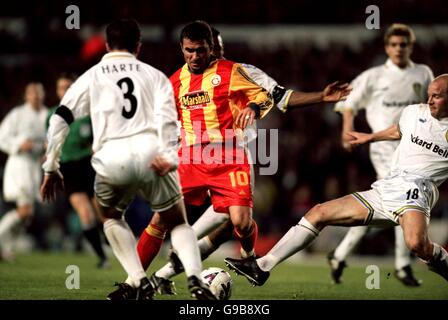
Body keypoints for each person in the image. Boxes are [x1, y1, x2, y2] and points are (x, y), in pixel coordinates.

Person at [110, 25, 351, 297]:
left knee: (237, 223)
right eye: (191, 50)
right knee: (164, 221)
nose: (198, 55)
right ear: (183, 49)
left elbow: (275, 97)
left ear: (212, 46)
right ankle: (136, 283)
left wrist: (257, 106)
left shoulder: (239, 71)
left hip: (232, 157)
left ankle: (236, 259)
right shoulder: (175, 81)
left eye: (204, 49)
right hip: (192, 158)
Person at [40, 18, 216, 300]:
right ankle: (195, 278)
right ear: (138, 46)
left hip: (111, 158)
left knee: (110, 217)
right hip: (152, 156)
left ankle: (139, 279)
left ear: (107, 45)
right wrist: (170, 155)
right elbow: (170, 123)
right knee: (178, 223)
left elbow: (59, 119)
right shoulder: (156, 76)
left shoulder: (93, 75)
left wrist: (51, 166)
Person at [224, 74, 448, 287]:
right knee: (318, 213)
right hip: (387, 188)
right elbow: (399, 131)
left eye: (437, 96)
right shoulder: (413, 112)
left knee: (417, 244)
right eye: (429, 94)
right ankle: (262, 266)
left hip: (417, 189)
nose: (429, 100)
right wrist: (370, 137)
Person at [329, 23, 434, 286]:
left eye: (404, 44)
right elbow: (347, 102)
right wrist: (347, 131)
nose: (399, 49)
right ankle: (401, 266)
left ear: (411, 46)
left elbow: (434, 107)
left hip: (413, 147)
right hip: (383, 147)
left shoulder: (423, 73)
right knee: (405, 201)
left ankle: (339, 254)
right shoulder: (374, 76)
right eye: (395, 45)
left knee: (386, 207)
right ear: (387, 47)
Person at [46, 73, 109, 268]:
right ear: (57, 91)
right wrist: (49, 163)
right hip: (68, 168)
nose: (64, 91)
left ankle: (115, 245)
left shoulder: (87, 113)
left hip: (88, 165)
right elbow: (48, 142)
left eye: (68, 87)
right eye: (61, 87)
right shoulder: (52, 115)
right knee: (85, 214)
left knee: (103, 212)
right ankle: (102, 257)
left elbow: (100, 136)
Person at [0, 82, 48, 260]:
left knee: (28, 215)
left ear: (43, 95)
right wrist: (18, 145)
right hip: (19, 165)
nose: (35, 96)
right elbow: (1, 137)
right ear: (26, 96)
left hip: (35, 167)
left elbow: (52, 140)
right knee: (24, 210)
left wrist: (48, 151)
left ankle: (5, 249)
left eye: (39, 93)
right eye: (32, 93)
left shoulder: (47, 115)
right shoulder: (17, 114)